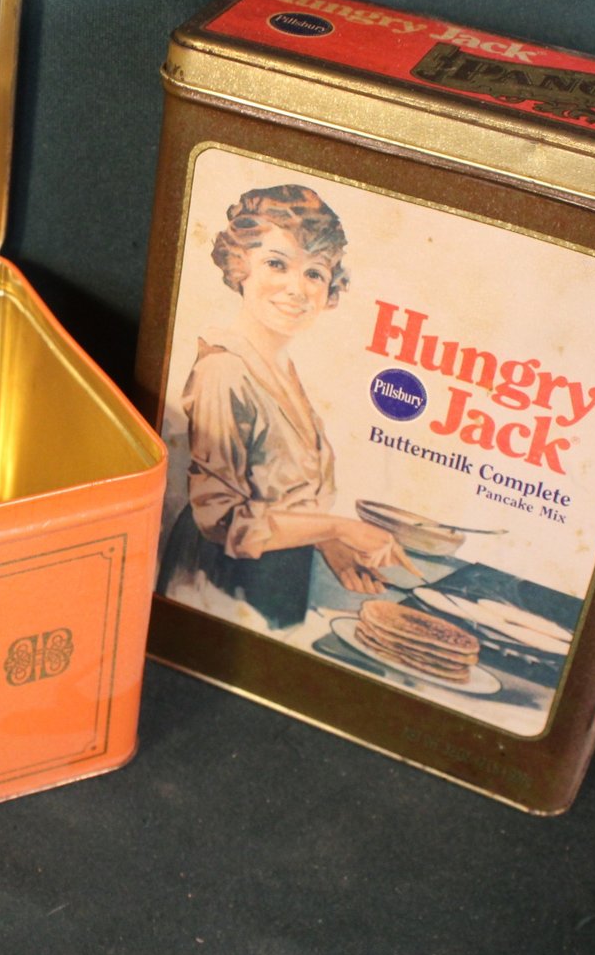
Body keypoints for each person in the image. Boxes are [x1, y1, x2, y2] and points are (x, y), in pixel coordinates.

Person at [160, 184, 417, 631]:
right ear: (240, 265)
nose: (297, 289)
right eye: (277, 264)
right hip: (217, 586)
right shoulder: (225, 369)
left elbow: (281, 500)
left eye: (314, 273)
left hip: (275, 575)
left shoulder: (281, 369)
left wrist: (329, 545)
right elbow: (220, 519)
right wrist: (338, 529)